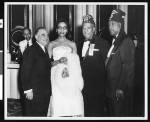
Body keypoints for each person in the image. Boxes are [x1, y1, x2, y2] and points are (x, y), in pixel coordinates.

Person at [47, 18, 84, 117]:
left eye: (64, 28)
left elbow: (76, 64)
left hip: (69, 74)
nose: (62, 30)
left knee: (71, 101)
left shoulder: (72, 44)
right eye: (59, 28)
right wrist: (59, 61)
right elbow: (48, 64)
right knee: (58, 100)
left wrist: (69, 69)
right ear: (56, 29)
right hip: (55, 74)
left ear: (67, 30)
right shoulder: (51, 44)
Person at [105, 9, 135, 117]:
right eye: (109, 25)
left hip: (118, 90)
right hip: (111, 89)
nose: (110, 27)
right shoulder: (115, 41)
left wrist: (120, 88)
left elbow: (127, 67)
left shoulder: (126, 41)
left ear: (120, 25)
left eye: (113, 24)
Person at [81, 14, 110, 117]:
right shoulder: (80, 43)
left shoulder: (102, 43)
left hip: (97, 90)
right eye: (84, 28)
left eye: (88, 28)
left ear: (93, 29)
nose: (85, 30)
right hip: (84, 88)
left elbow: (108, 65)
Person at [21, 27, 51, 116]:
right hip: (34, 93)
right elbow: (25, 71)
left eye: (47, 35)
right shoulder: (31, 50)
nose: (46, 37)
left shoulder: (45, 50)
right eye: (43, 35)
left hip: (44, 92)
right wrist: (28, 90)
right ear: (36, 37)